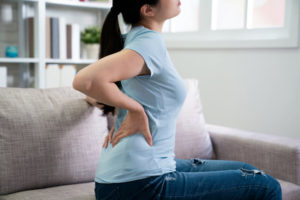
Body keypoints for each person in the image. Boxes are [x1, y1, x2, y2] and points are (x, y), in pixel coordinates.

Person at [72, 0, 282, 199]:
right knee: (267, 186)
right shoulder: (147, 43)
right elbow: (85, 81)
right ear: (148, 10)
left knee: (249, 171)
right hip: (140, 184)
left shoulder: (133, 39)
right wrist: (135, 110)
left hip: (122, 179)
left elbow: (97, 92)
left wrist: (123, 106)